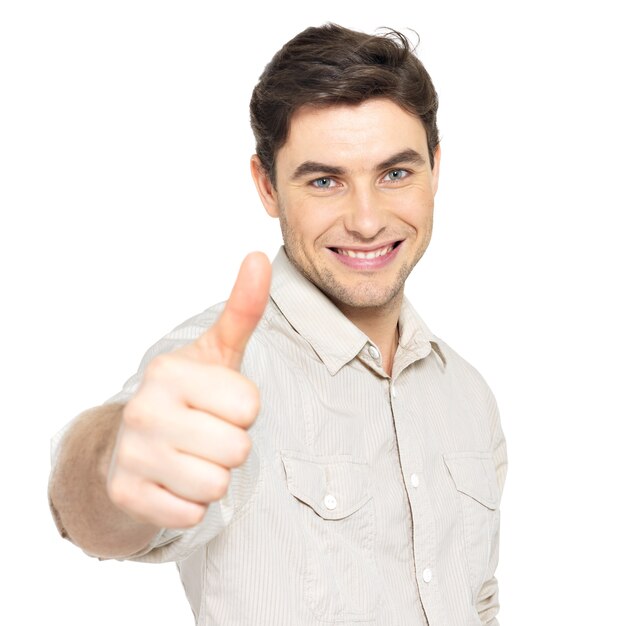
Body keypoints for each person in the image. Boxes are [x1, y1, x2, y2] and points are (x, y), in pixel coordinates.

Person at [49, 23, 507, 626]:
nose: (367, 221)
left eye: (395, 173)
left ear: (434, 168)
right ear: (267, 185)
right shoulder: (222, 370)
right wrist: (115, 458)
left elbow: (477, 600)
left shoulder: (467, 394)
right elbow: (100, 514)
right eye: (324, 181)